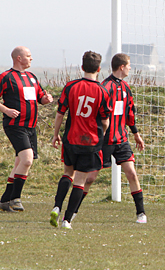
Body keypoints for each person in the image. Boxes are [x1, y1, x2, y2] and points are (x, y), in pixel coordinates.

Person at [51, 53, 147, 225]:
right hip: (101, 141)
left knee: (132, 174)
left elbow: (129, 113)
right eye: (129, 65)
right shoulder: (104, 87)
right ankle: (72, 213)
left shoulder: (126, 88)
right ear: (122, 67)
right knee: (88, 179)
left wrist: (136, 134)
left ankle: (141, 213)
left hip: (121, 139)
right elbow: (100, 117)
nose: (131, 68)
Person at [50, 51, 110, 229]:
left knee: (68, 173)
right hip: (89, 142)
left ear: (82, 67)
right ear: (99, 69)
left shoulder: (71, 87)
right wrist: (102, 134)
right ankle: (67, 220)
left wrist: (55, 134)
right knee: (80, 181)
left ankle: (56, 207)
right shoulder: (102, 92)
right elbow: (105, 121)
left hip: (71, 139)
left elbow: (60, 114)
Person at [0, 46, 53, 212]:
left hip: (31, 126)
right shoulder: (6, 77)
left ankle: (4, 200)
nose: (31, 59)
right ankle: (16, 198)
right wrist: (6, 110)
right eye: (28, 56)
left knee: (19, 163)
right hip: (15, 126)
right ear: (18, 58)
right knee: (27, 159)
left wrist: (46, 99)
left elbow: (39, 98)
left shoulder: (31, 77)